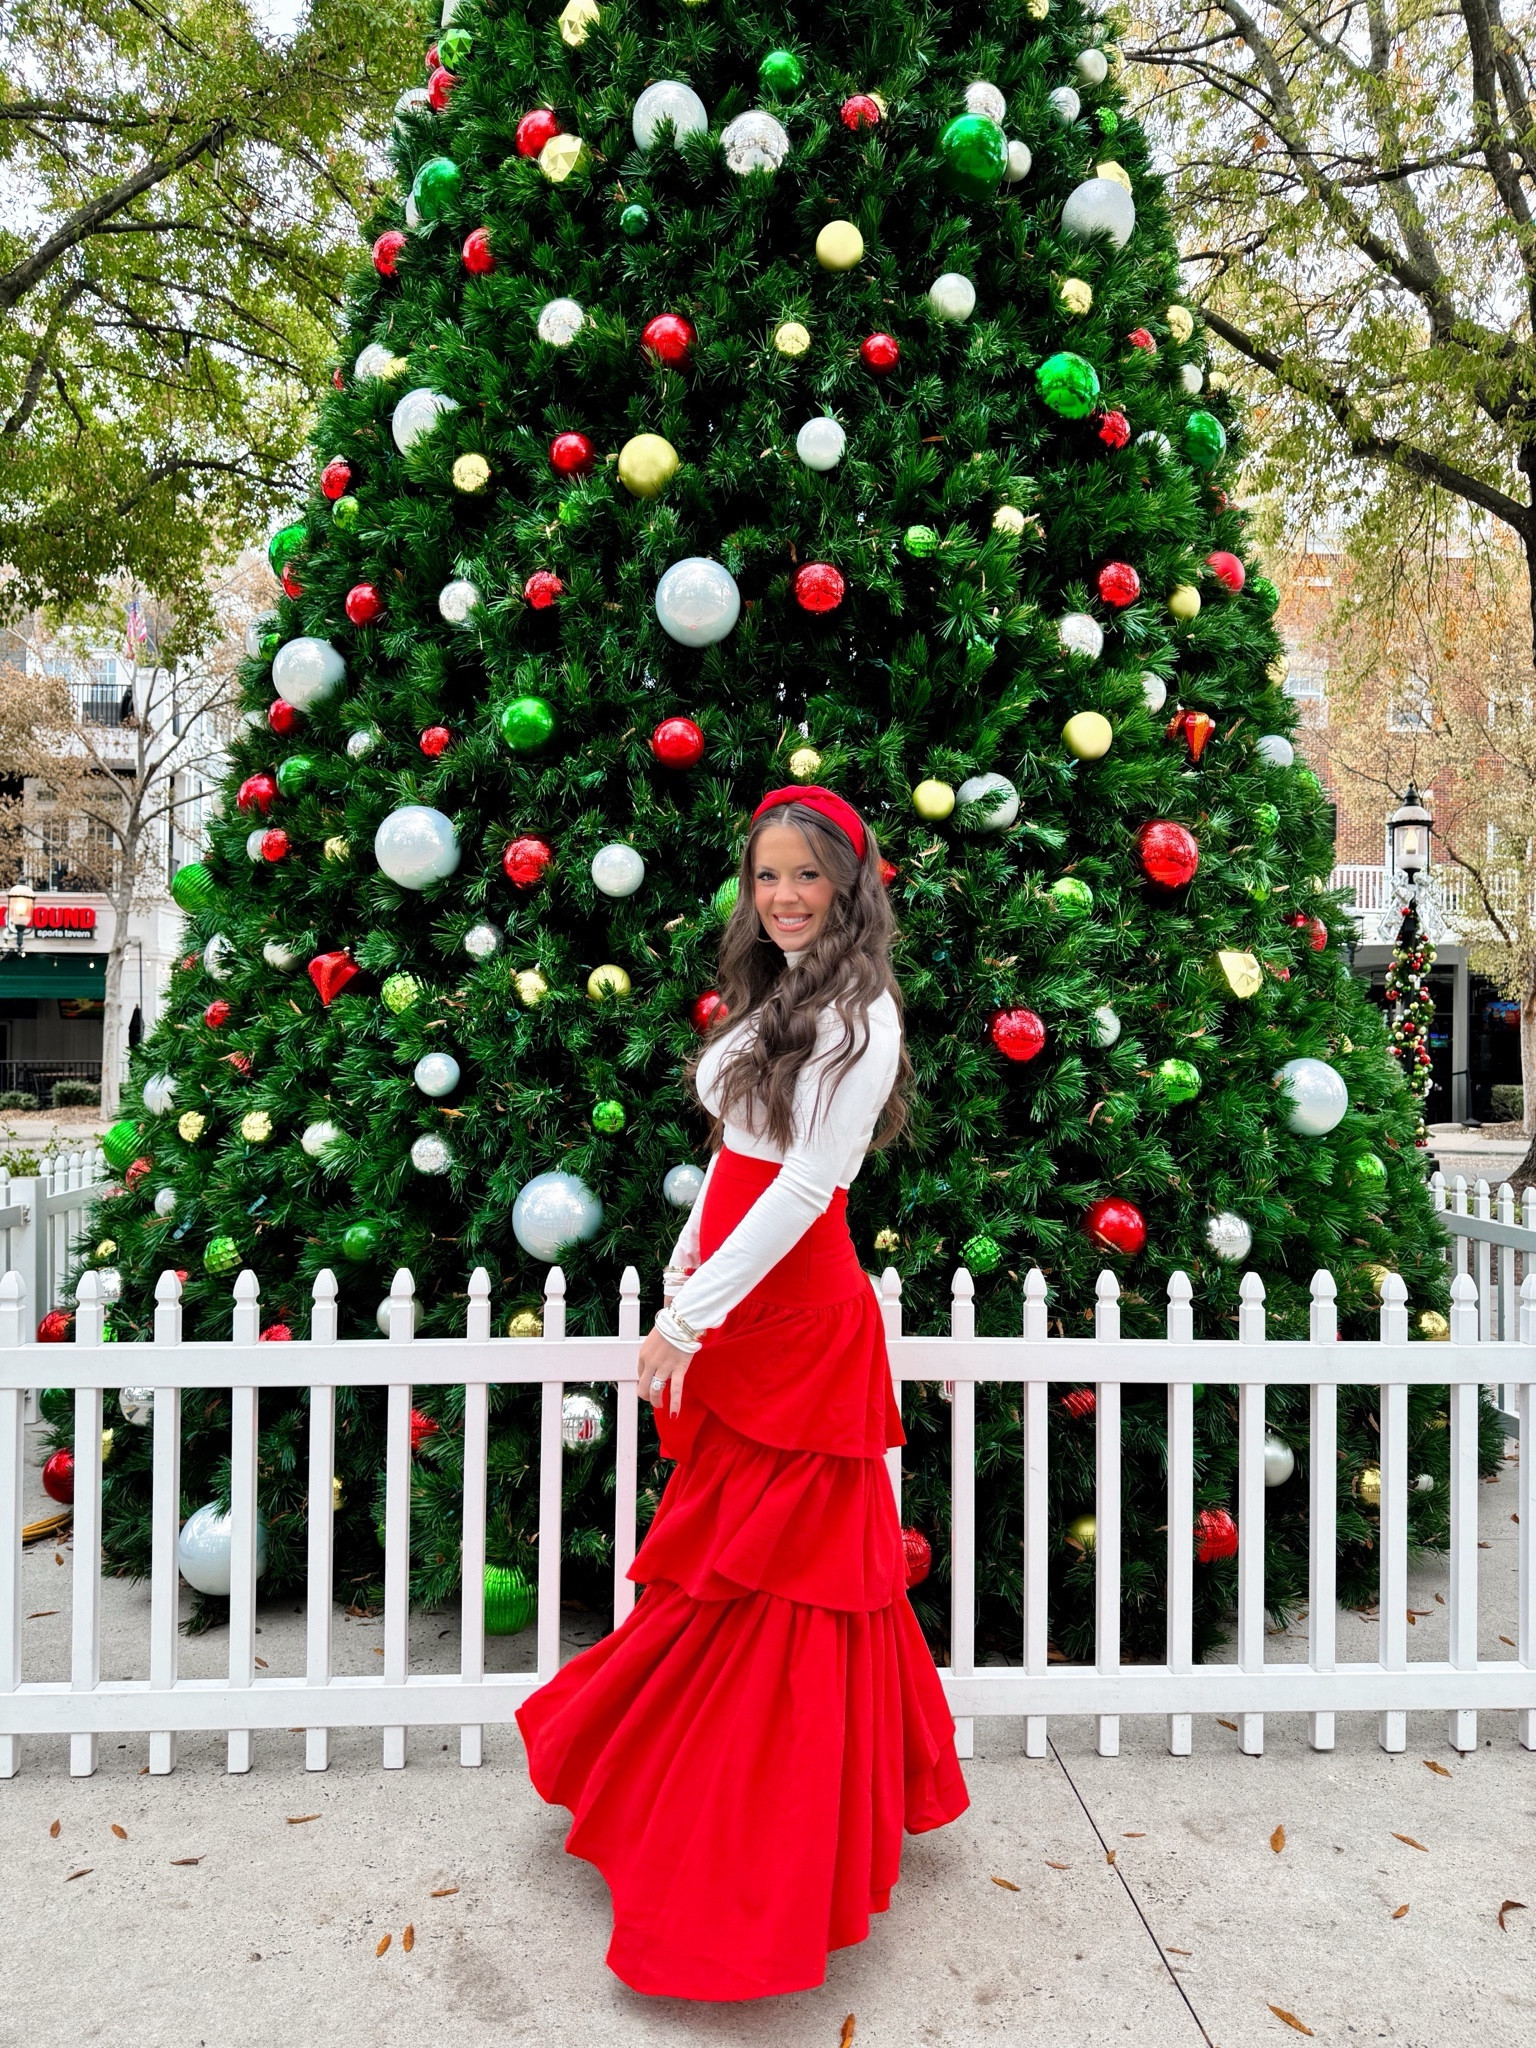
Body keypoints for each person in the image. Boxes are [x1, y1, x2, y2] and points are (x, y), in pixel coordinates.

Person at [516, 785, 969, 2002]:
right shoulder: (779, 990)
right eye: (767, 874)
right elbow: (735, 1156)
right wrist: (686, 1266)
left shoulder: (861, 1012)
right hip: (739, 1303)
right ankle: (730, 1794)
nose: (782, 895)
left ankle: (751, 1861)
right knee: (735, 1572)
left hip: (796, 1325)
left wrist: (686, 1316)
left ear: (849, 884)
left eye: (806, 874)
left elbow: (807, 1186)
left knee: (785, 1584)